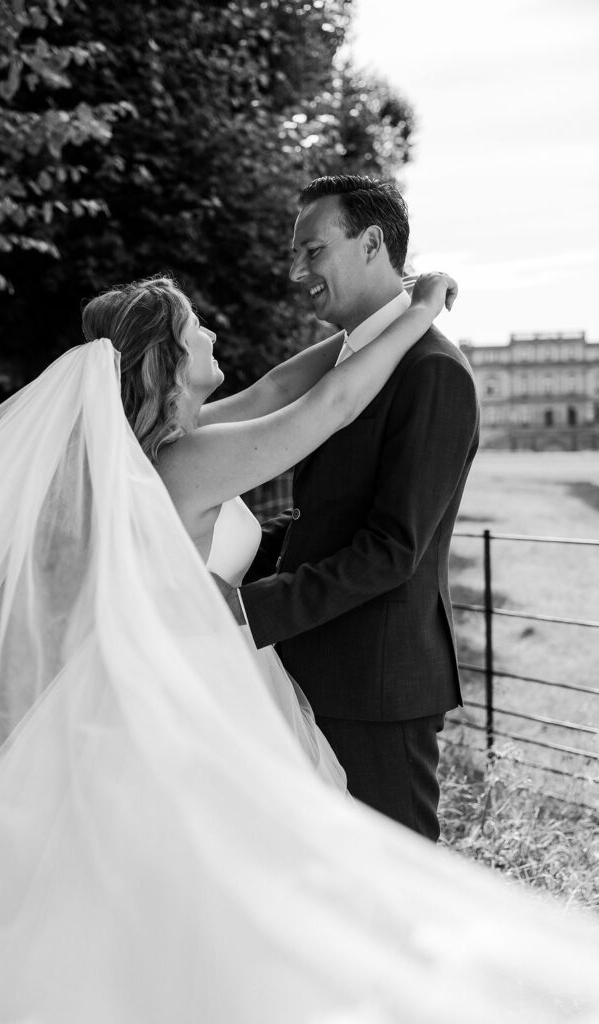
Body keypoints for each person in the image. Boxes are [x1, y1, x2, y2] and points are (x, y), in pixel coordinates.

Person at [0, 278, 597, 1024]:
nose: (212, 333)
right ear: (169, 360)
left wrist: (372, 324)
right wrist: (423, 312)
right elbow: (326, 408)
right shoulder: (192, 459)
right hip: (189, 696)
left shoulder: (147, 446)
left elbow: (275, 387)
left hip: (153, 683)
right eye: (196, 327)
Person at [215, 175, 480, 842]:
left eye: (313, 251)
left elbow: (391, 549)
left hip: (375, 687)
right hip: (312, 670)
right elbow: (322, 516)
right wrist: (229, 561)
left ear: (370, 244)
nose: (296, 271)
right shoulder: (350, 362)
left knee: (396, 886)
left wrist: (246, 609)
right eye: (295, 254)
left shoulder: (431, 371)